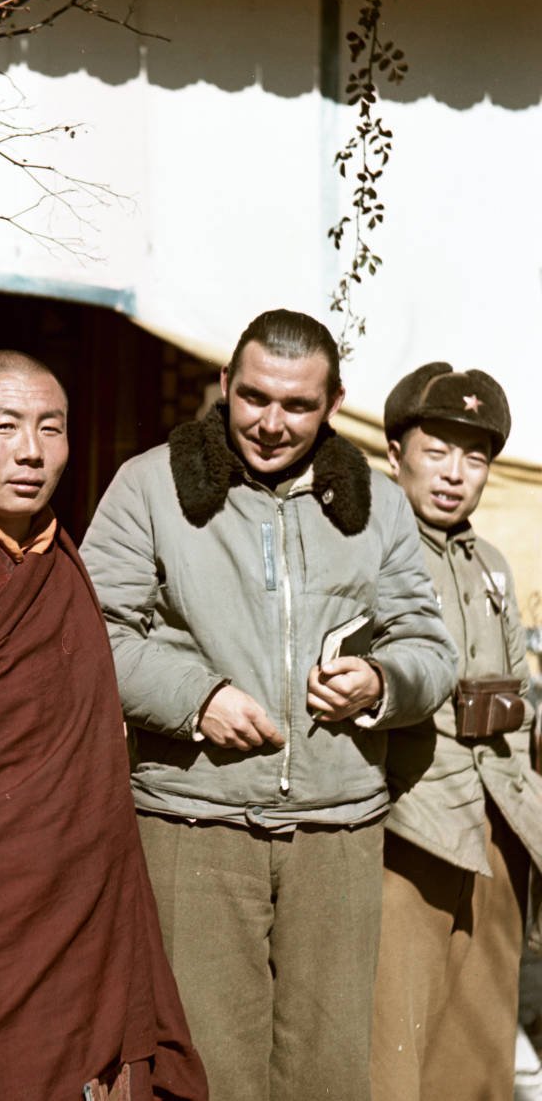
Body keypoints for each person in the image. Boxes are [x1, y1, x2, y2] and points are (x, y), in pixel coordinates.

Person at [80, 308, 457, 1101]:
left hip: (339, 831)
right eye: (254, 398)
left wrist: (382, 684)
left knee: (327, 1075)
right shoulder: (150, 486)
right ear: (224, 385)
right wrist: (197, 696)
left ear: (333, 404)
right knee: (204, 1072)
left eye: (298, 406)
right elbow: (91, 640)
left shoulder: (381, 506)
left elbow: (430, 646)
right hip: (194, 824)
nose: (272, 424)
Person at [0, 350, 207, 1101]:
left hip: (66, 908)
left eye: (50, 428)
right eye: (6, 426)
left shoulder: (59, 558)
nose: (31, 451)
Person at [370, 362, 542, 1101]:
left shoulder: (493, 566)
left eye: (474, 458)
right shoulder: (368, 550)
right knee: (393, 1042)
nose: (454, 474)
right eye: (437, 450)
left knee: (477, 1049)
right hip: (405, 823)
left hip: (497, 821)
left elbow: (516, 695)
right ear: (395, 453)